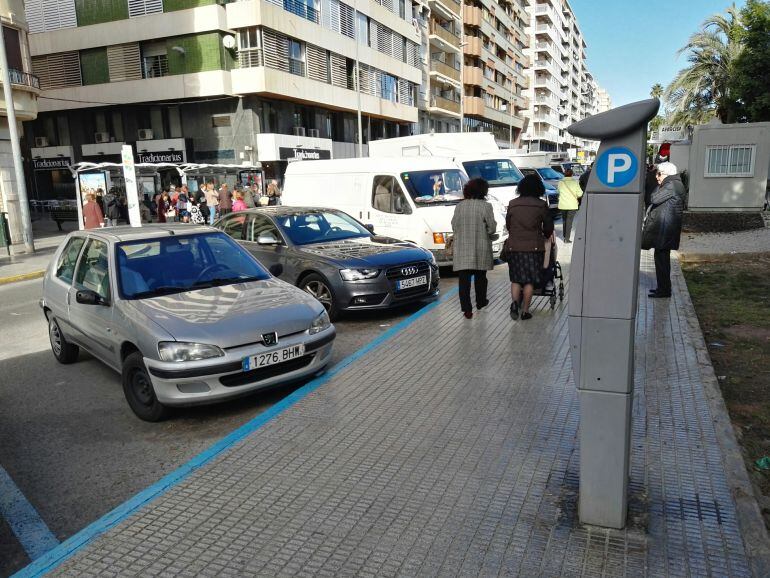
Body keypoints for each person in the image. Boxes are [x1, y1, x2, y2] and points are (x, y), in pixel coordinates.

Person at [504, 174, 554, 320]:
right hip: (534, 248)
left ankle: (515, 304)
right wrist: (545, 234)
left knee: (516, 279)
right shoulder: (541, 205)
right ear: (538, 188)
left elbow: (509, 225)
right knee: (529, 281)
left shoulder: (513, 203)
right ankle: (525, 311)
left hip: (514, 247)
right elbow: (548, 227)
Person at [450, 178, 497, 319]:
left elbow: (454, 226)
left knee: (464, 281)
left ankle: (467, 310)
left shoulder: (460, 206)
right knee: (480, 277)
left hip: (463, 249)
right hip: (480, 248)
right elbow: (492, 228)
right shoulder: (486, 206)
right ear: (483, 191)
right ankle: (481, 302)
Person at [642, 161, 685, 299]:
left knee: (662, 262)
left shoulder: (671, 185)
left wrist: (658, 186)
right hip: (665, 229)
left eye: (659, 174)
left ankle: (664, 291)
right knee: (662, 261)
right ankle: (663, 289)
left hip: (665, 230)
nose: (657, 177)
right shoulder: (674, 184)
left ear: (666, 174)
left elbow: (654, 198)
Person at [557, 168, 583, 243]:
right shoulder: (575, 182)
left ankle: (564, 235)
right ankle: (567, 238)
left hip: (563, 205)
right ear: (572, 174)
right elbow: (580, 194)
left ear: (564, 174)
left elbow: (558, 191)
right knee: (569, 221)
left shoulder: (560, 182)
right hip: (572, 205)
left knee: (564, 220)